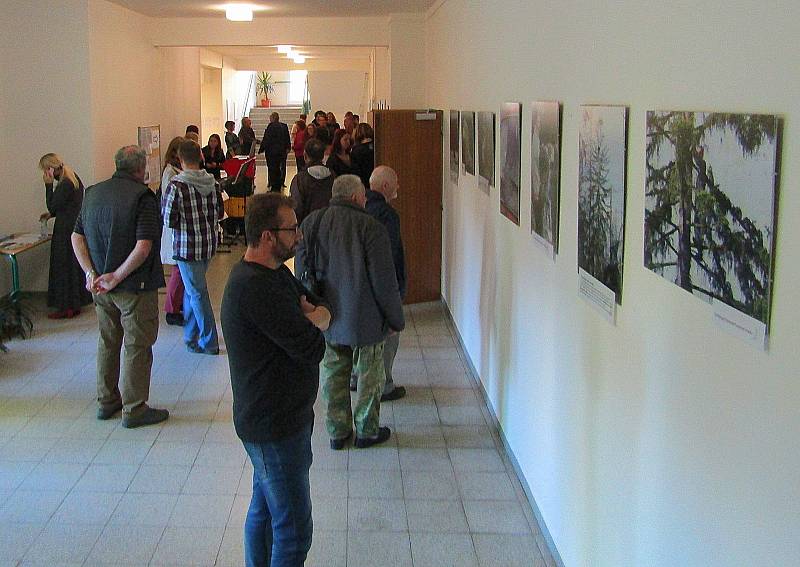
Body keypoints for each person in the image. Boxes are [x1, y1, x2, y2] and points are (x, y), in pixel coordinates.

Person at [221, 193, 331, 567]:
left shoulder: (274, 274)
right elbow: (312, 346)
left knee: (265, 509)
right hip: (272, 424)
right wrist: (315, 318)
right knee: (295, 529)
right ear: (268, 236)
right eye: (292, 229)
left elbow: (312, 300)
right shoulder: (255, 287)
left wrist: (312, 315)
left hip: (284, 417)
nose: (298, 235)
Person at [296, 175, 404, 450]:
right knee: (369, 376)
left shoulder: (312, 223)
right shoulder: (371, 227)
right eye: (364, 196)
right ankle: (367, 430)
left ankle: (337, 430)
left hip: (326, 315)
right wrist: (394, 318)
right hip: (366, 317)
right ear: (356, 197)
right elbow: (384, 280)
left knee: (333, 374)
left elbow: (301, 271)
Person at [71, 145, 169, 428]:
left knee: (108, 341)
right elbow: (144, 246)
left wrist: (91, 273)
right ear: (141, 169)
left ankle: (106, 401)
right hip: (134, 287)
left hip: (101, 287)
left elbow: (76, 237)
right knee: (137, 345)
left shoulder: (93, 192)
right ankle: (135, 408)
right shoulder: (142, 197)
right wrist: (117, 275)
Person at [162, 140, 223, 355]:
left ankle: (209, 341)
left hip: (187, 248)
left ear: (180, 159)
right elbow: (219, 213)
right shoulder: (213, 183)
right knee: (192, 291)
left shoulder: (177, 186)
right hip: (208, 244)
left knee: (197, 294)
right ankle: (190, 336)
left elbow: (168, 219)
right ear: (201, 157)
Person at [363, 166, 407, 401]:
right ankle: (384, 385)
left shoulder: (360, 208)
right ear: (386, 187)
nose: (399, 187)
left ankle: (358, 378)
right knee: (389, 336)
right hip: (383, 286)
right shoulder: (388, 215)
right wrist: (396, 293)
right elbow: (389, 257)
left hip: (362, 285)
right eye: (396, 182)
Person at [38, 153, 92, 319]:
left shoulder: (65, 183)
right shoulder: (73, 178)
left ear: (51, 169)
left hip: (64, 231)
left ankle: (65, 306)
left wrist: (47, 186)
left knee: (63, 267)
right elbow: (65, 206)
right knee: (72, 266)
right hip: (73, 227)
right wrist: (51, 214)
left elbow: (53, 203)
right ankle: (74, 304)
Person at [159, 136, 185, 326]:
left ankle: (177, 305)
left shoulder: (178, 170)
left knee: (182, 271)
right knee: (178, 271)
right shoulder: (170, 172)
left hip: (180, 227)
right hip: (175, 228)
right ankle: (171, 309)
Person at [289, 138, 335, 225]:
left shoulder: (300, 178)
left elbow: (296, 206)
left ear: (305, 155)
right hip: (329, 224)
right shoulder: (332, 176)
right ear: (322, 156)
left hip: (307, 226)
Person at [258, 112, 291, 192]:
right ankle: (279, 184)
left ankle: (274, 187)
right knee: (280, 168)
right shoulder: (284, 126)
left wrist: (261, 149)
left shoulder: (271, 126)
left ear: (272, 118)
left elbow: (267, 139)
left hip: (272, 152)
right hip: (282, 151)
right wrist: (288, 147)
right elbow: (287, 138)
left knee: (273, 169)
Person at [350, 122, 375, 189]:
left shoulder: (356, 150)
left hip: (364, 183)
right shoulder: (377, 147)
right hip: (377, 180)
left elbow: (355, 171)